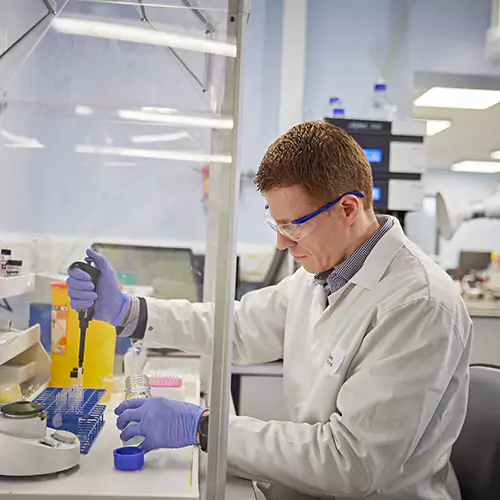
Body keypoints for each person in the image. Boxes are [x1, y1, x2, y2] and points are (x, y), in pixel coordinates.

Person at [67, 121, 472, 500]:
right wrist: (128, 312)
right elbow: (238, 328)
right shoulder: (325, 271)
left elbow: (352, 462)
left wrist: (205, 427)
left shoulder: (419, 303)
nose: (282, 244)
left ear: (349, 209)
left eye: (293, 226)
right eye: (275, 224)